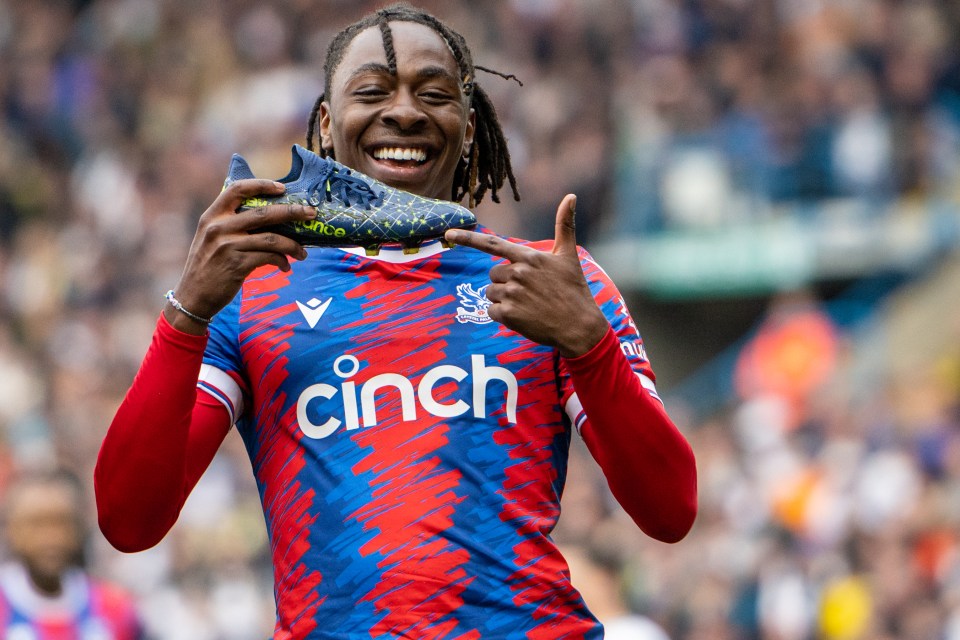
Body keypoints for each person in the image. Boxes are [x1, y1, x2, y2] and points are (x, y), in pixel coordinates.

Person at [94, 4, 697, 638]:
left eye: (434, 94)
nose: (404, 112)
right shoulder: (254, 289)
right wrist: (186, 312)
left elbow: (670, 511)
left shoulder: (547, 281)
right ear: (327, 125)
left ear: (467, 128)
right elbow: (129, 522)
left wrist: (589, 343)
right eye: (373, 92)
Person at [0, 469, 142, 639]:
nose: (51, 537)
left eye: (62, 523)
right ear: (11, 529)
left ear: (80, 527)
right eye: (36, 524)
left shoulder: (115, 608)